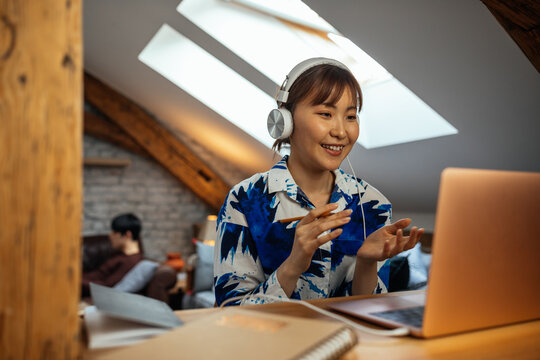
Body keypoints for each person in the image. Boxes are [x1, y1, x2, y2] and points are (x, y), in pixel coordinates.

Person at [214, 58, 424, 306]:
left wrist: (366, 262)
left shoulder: (372, 204)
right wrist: (293, 265)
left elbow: (369, 312)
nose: (341, 132)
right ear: (285, 121)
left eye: (351, 116)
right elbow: (231, 311)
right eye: (326, 114)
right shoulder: (245, 200)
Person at [81, 213, 143, 297]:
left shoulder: (131, 260)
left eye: (115, 232)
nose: (110, 236)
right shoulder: (120, 253)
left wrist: (76, 281)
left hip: (85, 286)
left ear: (128, 235)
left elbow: (106, 286)